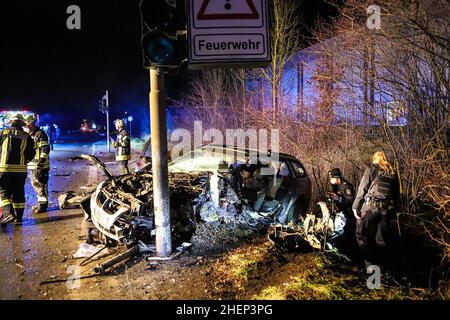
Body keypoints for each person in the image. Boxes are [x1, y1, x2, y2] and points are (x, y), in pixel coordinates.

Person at [352, 151, 401, 269]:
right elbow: (396, 195)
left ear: (375, 159)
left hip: (371, 208)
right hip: (387, 211)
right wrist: (394, 212)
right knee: (381, 240)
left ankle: (368, 265)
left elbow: (362, 189)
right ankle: (379, 271)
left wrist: (355, 207)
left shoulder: (372, 169)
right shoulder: (392, 172)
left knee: (361, 233)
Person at [0, 114, 35, 225]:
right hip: (20, 171)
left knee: (4, 192)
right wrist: (25, 161)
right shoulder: (26, 136)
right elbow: (31, 153)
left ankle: (8, 214)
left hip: (4, 169)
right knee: (19, 193)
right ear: (22, 123)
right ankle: (19, 218)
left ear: (11, 122)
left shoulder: (3, 133)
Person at [25, 114, 51, 214]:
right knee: (36, 185)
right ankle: (40, 203)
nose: (26, 127)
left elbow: (45, 148)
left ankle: (42, 206)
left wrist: (42, 160)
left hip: (40, 166)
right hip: (33, 166)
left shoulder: (40, 134)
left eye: (27, 125)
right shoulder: (31, 134)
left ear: (31, 124)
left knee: (41, 185)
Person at [326, 168, 356, 251]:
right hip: (338, 213)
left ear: (337, 178)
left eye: (332, 178)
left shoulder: (347, 186)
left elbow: (351, 200)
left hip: (348, 213)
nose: (331, 180)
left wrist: (339, 198)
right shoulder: (334, 186)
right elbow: (332, 194)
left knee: (348, 233)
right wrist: (330, 197)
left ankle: (351, 250)